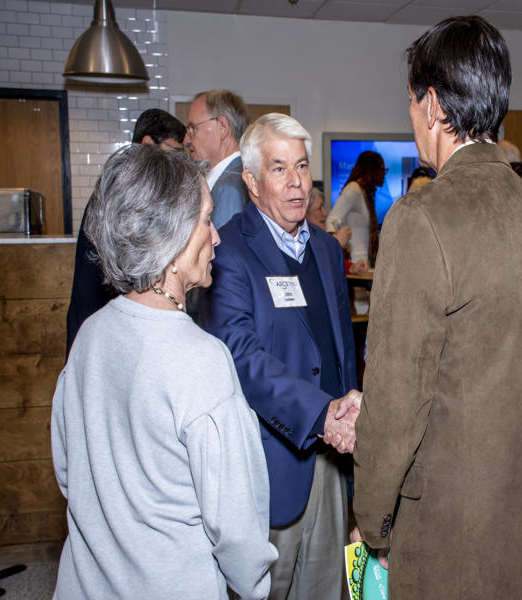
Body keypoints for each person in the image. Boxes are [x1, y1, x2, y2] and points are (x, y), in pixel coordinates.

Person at [352, 16, 522, 599]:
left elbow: (397, 396)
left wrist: (371, 518)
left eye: (411, 101)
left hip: (456, 540)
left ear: (432, 105)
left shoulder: (421, 217)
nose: (410, 115)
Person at [51, 144, 276, 599]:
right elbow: (237, 523)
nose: (216, 238)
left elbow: (68, 470)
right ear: (171, 237)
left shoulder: (90, 335)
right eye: (207, 220)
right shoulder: (201, 359)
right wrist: (252, 585)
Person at [197, 113, 362, 600]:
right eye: (279, 168)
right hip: (270, 465)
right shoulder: (228, 251)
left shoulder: (327, 251)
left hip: (331, 459)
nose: (296, 182)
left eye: (302, 166)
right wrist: (320, 412)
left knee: (326, 590)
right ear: (251, 181)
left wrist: (349, 419)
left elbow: (340, 350)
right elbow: (241, 358)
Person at [65, 108, 186, 355]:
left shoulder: (127, 186)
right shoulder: (126, 191)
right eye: (173, 151)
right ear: (147, 143)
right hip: (100, 320)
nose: (175, 161)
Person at [184, 89, 250, 229]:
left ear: (223, 127)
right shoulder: (236, 176)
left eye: (193, 128)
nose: (186, 140)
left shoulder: (229, 188)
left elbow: (222, 243)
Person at [325, 150, 384, 266]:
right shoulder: (354, 190)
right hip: (354, 264)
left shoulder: (366, 194)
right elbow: (331, 221)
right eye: (382, 169)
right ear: (371, 169)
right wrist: (339, 245)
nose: (384, 174)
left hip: (365, 263)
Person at [306, 187, 368, 276]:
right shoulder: (300, 240)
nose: (325, 213)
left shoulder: (320, 237)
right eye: (319, 208)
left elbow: (333, 263)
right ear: (304, 212)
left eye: (323, 207)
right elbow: (315, 265)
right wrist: (335, 243)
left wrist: (351, 268)